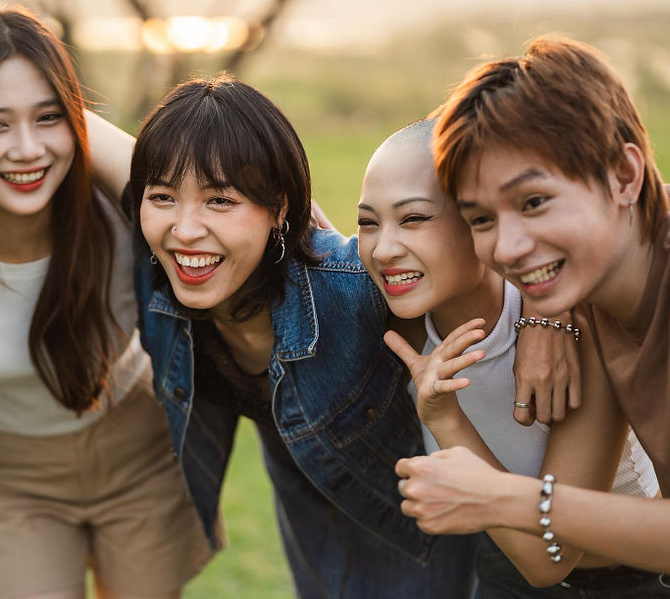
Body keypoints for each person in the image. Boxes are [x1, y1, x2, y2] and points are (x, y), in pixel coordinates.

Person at [127, 73, 479, 598]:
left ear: (281, 208)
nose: (185, 229)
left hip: (424, 540)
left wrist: (552, 324)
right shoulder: (156, 279)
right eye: (162, 197)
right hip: (313, 528)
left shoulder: (356, 288)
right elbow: (69, 132)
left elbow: (502, 257)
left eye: (220, 200)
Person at [0, 5, 210, 599]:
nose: (27, 150)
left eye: (49, 117)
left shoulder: (125, 214)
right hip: (11, 476)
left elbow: (236, 203)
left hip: (141, 452)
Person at [395, 36, 670, 578]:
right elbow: (546, 561)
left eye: (534, 202)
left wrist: (502, 498)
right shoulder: (591, 297)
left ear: (624, 175)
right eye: (481, 219)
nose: (509, 247)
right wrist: (547, 314)